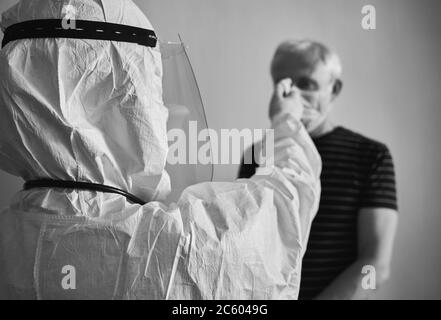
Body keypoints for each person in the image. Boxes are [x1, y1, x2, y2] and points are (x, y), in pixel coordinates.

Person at [0, 0, 320, 299]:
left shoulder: (11, 233)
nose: (166, 110)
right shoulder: (166, 245)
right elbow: (282, 208)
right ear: (105, 98)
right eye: (150, 86)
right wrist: (287, 120)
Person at [239, 40, 398, 300]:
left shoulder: (372, 156)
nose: (293, 94)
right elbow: (248, 249)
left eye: (307, 84)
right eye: (284, 83)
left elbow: (375, 265)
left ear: (334, 89)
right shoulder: (257, 156)